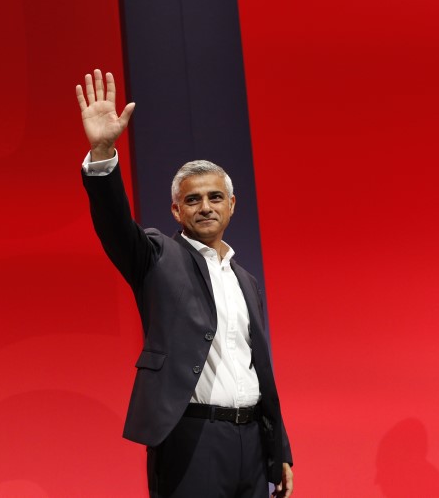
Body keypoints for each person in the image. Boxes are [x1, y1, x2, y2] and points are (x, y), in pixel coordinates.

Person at [76, 69, 293, 497]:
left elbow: (259, 370)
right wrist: (102, 154)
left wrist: (279, 449)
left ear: (232, 205)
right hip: (190, 439)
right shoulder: (156, 256)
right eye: (192, 200)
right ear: (176, 211)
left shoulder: (246, 280)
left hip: (250, 443)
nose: (206, 207)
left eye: (215, 198)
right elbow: (116, 226)